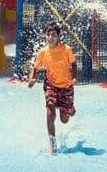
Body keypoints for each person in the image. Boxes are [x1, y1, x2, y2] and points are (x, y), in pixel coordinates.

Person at [27, 23, 78, 154]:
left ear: (59, 36)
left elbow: (73, 64)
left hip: (66, 87)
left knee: (64, 120)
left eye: (53, 35)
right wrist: (31, 79)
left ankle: (69, 110)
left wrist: (74, 77)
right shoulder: (43, 52)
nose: (50, 37)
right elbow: (35, 68)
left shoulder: (66, 49)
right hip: (51, 85)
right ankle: (52, 144)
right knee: (50, 112)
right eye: (48, 35)